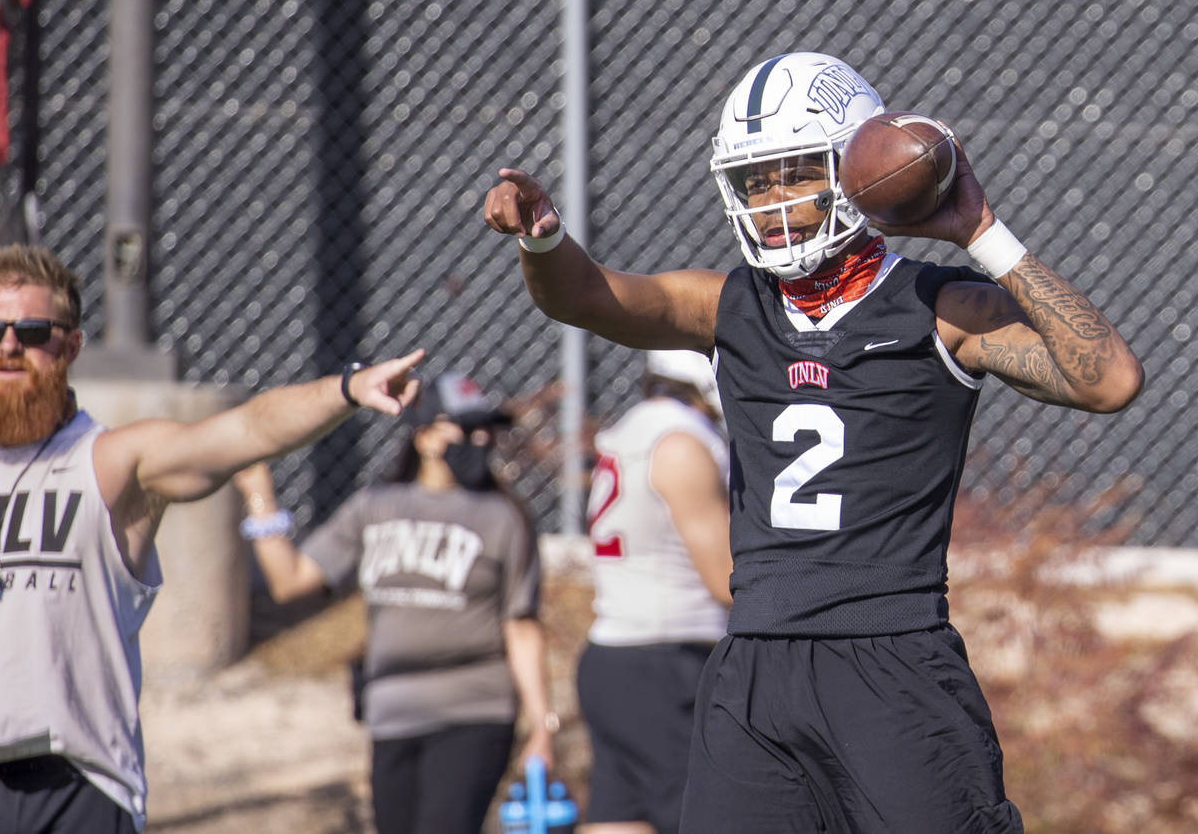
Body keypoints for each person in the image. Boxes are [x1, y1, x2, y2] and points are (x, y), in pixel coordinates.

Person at [483, 51, 1144, 834]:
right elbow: (591, 298)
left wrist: (981, 232)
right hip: (755, 664)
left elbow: (1108, 381)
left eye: (794, 173)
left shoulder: (941, 306)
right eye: (756, 181)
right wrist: (542, 240)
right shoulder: (728, 304)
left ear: (855, 169)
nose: (775, 201)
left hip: (893, 662)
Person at [0, 244, 424, 834]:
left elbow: (246, 431)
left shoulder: (112, 462)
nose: (10, 345)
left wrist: (345, 390)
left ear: (71, 346)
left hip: (77, 781)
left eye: (33, 330)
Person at [232, 369, 557, 834]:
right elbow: (290, 581)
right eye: (464, 430)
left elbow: (521, 626)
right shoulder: (375, 506)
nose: (480, 440)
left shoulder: (503, 517)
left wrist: (542, 725)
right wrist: (260, 498)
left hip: (474, 708)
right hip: (392, 712)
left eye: (487, 429)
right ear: (424, 438)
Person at [578, 348, 731, 834]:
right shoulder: (680, 442)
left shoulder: (630, 430)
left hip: (611, 657)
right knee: (703, 817)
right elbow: (727, 578)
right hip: (666, 661)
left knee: (618, 817)